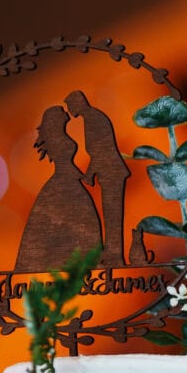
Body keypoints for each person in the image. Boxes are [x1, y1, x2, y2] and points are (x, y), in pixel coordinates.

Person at [14, 106, 103, 273]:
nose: (66, 114)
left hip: (71, 181)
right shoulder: (58, 140)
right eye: (62, 112)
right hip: (65, 182)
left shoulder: (62, 136)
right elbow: (64, 164)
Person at [64, 90, 131, 267]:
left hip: (111, 172)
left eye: (70, 106)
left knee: (112, 215)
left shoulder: (94, 119)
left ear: (78, 103)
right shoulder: (91, 118)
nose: (69, 110)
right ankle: (112, 254)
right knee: (110, 213)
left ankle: (115, 256)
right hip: (107, 171)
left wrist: (89, 174)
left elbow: (101, 151)